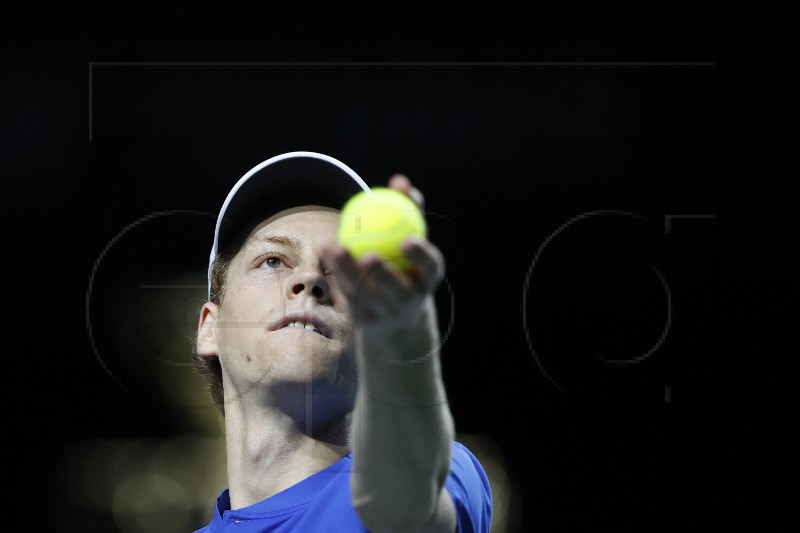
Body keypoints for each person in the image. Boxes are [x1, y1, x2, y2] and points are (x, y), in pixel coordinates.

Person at [192, 151, 492, 532]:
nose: (310, 278)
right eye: (273, 261)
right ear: (209, 328)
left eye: (343, 269)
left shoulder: (430, 469)